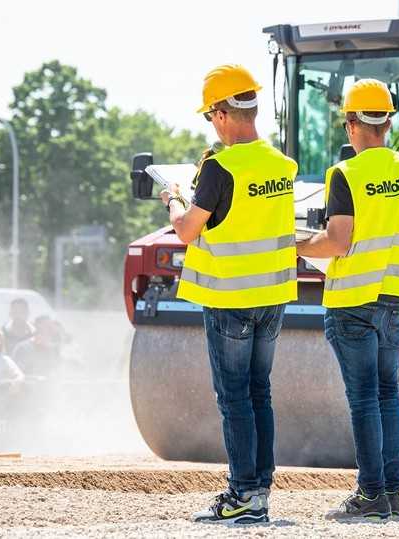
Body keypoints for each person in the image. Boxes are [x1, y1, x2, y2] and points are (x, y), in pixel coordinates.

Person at [297, 79, 399, 520]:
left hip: (353, 302)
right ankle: (392, 493)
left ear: (353, 123)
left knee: (363, 398)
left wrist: (294, 244)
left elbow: (338, 242)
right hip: (395, 301)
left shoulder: (346, 174)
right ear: (388, 122)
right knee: (385, 395)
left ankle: (369, 494)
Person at [161, 64, 298, 525]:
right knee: (260, 393)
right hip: (273, 297)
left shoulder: (219, 167)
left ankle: (242, 494)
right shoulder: (283, 165)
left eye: (209, 116)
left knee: (235, 396)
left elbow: (186, 231)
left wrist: (175, 197)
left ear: (221, 114)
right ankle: (259, 490)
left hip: (230, 300)